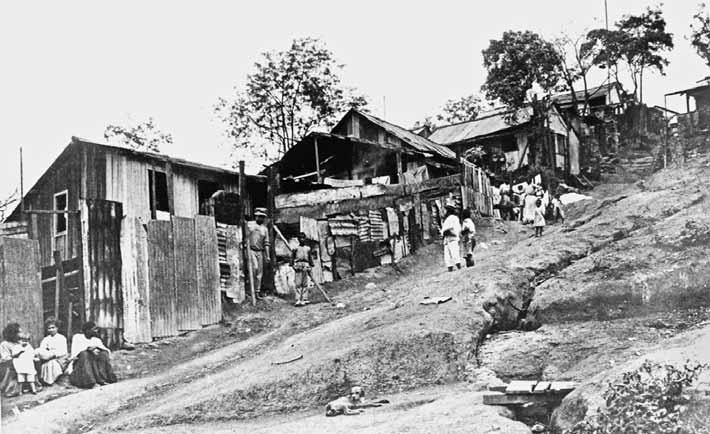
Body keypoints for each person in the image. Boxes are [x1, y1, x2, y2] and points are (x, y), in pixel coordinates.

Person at [69, 322, 117, 389]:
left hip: (94, 363)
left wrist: (97, 349)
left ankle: (102, 379)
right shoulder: (77, 337)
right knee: (84, 354)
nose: (96, 331)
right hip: (80, 365)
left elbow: (106, 350)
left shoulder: (96, 340)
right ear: (87, 330)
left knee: (103, 354)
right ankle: (90, 382)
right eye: (94, 329)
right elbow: (75, 353)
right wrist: (88, 349)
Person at [38, 318, 68, 385]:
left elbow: (63, 351)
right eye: (49, 328)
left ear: (57, 328)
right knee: (46, 363)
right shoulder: (46, 339)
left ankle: (52, 380)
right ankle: (47, 381)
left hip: (60, 358)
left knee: (51, 363)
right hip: (49, 356)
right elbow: (42, 348)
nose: (51, 330)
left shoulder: (62, 338)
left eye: (53, 327)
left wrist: (54, 354)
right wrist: (46, 353)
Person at [249, 207, 271, 297]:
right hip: (251, 250)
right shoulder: (249, 225)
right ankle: (252, 291)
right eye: (259, 216)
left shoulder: (264, 229)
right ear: (256, 216)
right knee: (254, 268)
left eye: (263, 217)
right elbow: (244, 238)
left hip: (260, 252)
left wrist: (268, 255)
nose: (261, 218)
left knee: (259, 273)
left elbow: (266, 243)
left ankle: (257, 292)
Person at [0, 322, 23, 397]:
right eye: (19, 332)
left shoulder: (19, 342)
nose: (21, 334)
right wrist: (16, 356)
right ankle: (12, 389)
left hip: (20, 362)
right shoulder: (4, 344)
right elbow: (5, 357)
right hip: (7, 364)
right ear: (13, 333)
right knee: (15, 366)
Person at [291, 232, 314, 306]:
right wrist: (293, 265)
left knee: (305, 283)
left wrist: (310, 266)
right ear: (298, 240)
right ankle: (298, 299)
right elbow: (292, 258)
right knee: (298, 283)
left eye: (303, 238)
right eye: (300, 238)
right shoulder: (295, 249)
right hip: (298, 265)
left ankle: (304, 298)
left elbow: (310, 258)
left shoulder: (308, 248)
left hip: (306, 265)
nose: (302, 240)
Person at [441, 204, 462, 271]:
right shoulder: (448, 219)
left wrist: (446, 232)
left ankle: (458, 265)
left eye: (445, 210)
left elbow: (456, 228)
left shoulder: (453, 218)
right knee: (447, 254)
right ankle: (450, 267)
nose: (443, 212)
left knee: (454, 252)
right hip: (447, 238)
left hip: (452, 236)